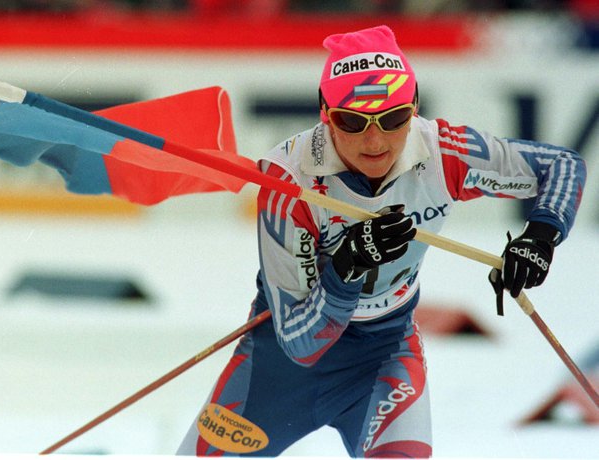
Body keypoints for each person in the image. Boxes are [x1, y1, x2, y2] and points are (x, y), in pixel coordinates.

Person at [177, 25, 586, 457]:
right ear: (324, 113)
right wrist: (347, 266)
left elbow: (561, 166)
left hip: (384, 357)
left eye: (393, 119)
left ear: (415, 107)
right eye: (352, 122)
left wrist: (539, 237)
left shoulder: (443, 151)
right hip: (277, 372)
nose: (375, 141)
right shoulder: (289, 182)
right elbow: (300, 343)